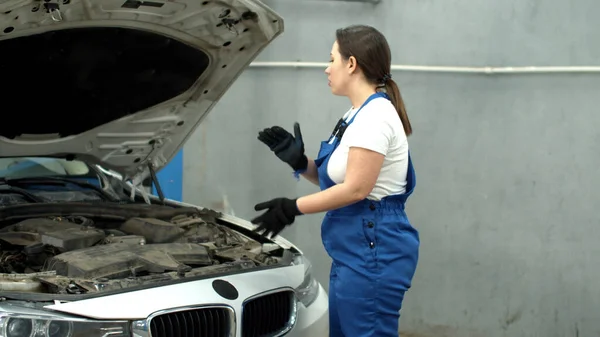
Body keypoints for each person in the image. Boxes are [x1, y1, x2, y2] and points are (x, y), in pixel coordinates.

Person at [252, 24, 419, 337]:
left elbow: (356, 189)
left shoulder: (376, 117)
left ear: (351, 64)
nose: (327, 68)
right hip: (353, 251)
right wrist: (301, 163)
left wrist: (292, 208)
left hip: (374, 250)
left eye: (332, 59)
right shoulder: (354, 115)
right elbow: (339, 183)